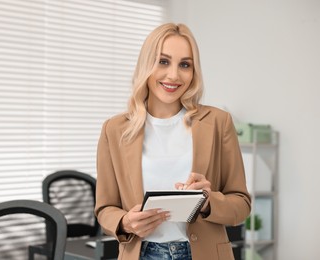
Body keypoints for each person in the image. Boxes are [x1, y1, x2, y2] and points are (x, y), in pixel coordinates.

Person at [94, 23, 251, 260]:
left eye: (185, 65)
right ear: (147, 64)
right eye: (163, 61)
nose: (174, 75)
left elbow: (241, 205)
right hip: (142, 254)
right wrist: (125, 222)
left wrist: (209, 202)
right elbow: (105, 208)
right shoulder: (114, 130)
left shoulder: (218, 122)